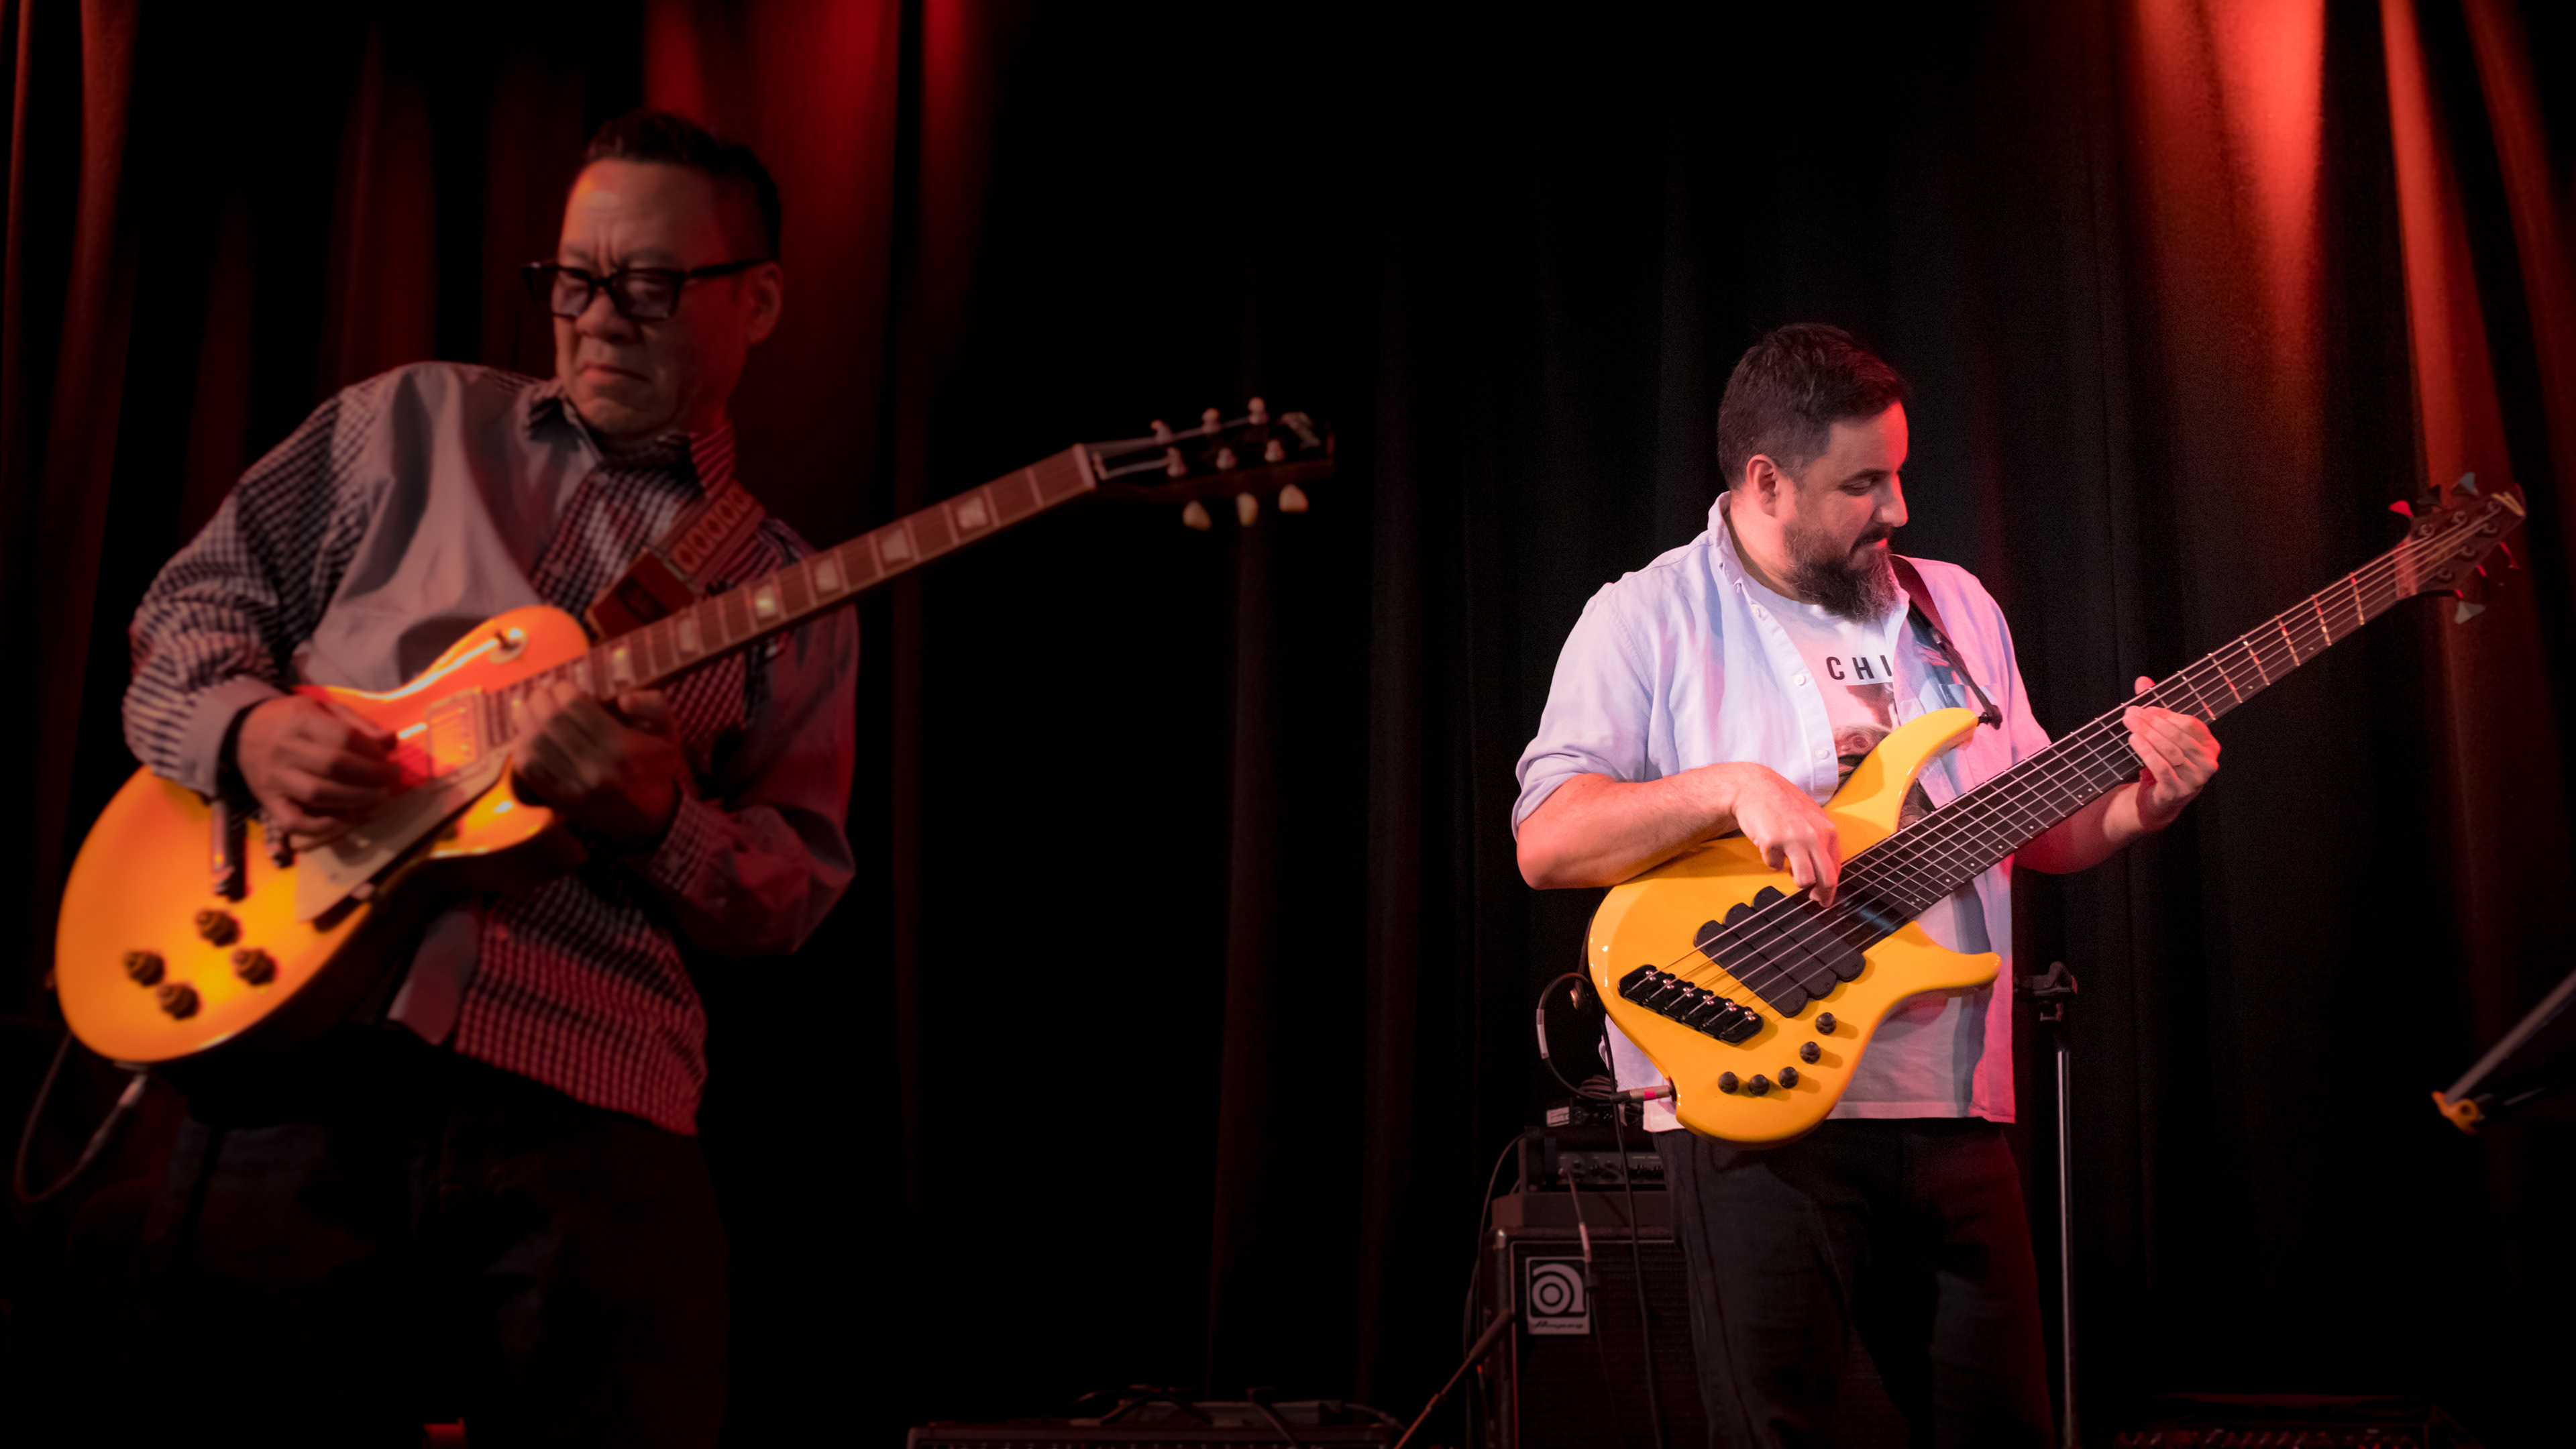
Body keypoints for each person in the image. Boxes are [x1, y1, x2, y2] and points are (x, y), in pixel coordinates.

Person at [107, 110, 856, 1446]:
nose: (600, 317)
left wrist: (657, 820)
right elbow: (188, 612)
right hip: (301, 1057)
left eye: (650, 284)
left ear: (759, 301)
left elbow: (790, 894)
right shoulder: (406, 423)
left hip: (598, 1106)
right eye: (574, 279)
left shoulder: (790, 590)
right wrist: (247, 737)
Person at [1513, 324, 2218, 1448]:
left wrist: (2144, 803)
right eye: (1861, 484)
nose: (1896, 508)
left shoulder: (1955, 606)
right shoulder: (1645, 616)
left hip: (1953, 1108)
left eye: (1898, 474)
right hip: (1752, 1106)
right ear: (1766, 482)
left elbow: (2035, 826)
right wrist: (1733, 789)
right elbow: (1549, 841)